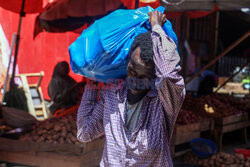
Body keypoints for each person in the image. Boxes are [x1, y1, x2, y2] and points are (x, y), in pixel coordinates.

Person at [77, 11, 185, 166]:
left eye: (144, 76)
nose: (135, 80)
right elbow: (85, 132)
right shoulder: (113, 95)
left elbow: (169, 74)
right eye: (132, 70)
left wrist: (156, 27)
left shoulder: (164, 103)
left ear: (156, 76)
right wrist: (93, 79)